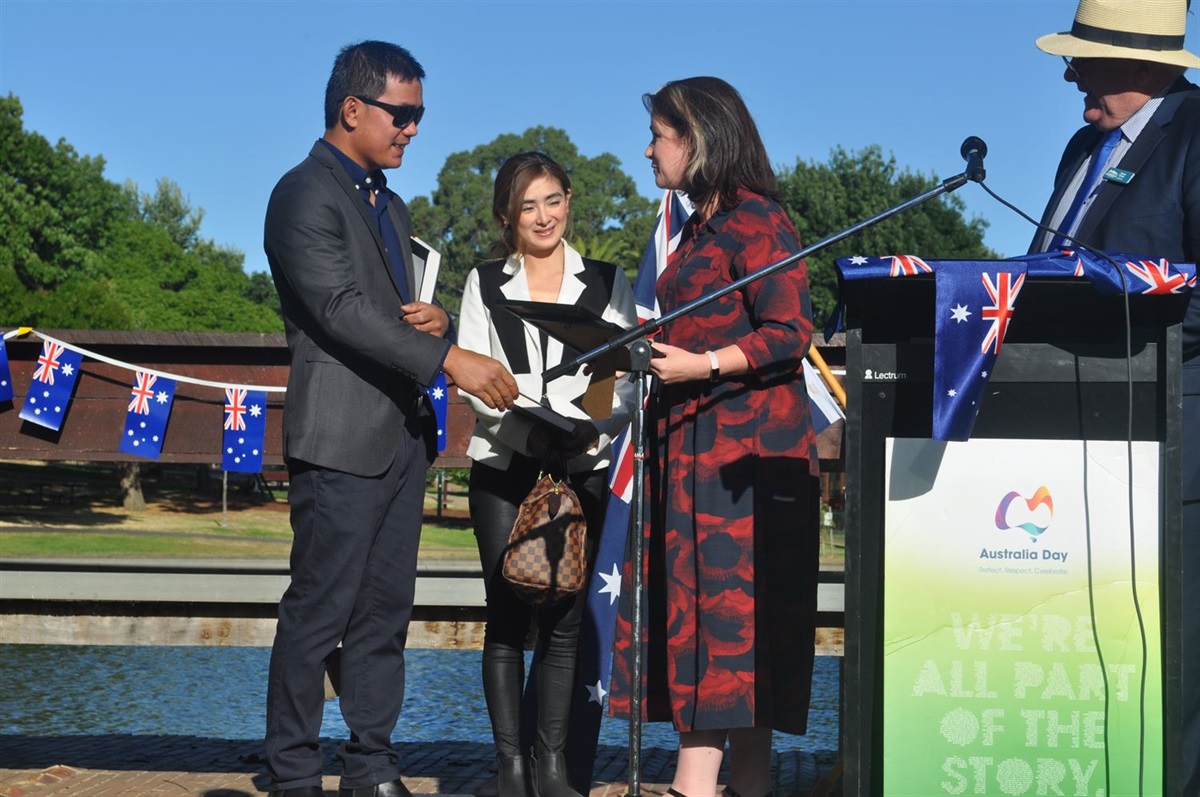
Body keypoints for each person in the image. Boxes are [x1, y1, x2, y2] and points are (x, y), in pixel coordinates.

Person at [263, 41, 518, 797]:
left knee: (384, 617)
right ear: (352, 109)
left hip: (401, 439)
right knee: (317, 614)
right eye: (401, 114)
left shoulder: (390, 203)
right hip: (338, 439)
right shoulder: (302, 193)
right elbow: (338, 312)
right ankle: (293, 773)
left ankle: (371, 766)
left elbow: (385, 314)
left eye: (419, 116)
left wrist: (434, 320)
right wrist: (449, 356)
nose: (412, 129)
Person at [609, 77, 822, 797]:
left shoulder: (758, 220)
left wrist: (699, 363)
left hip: (746, 459)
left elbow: (790, 331)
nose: (648, 149)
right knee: (706, 615)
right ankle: (749, 784)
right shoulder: (698, 224)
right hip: (694, 445)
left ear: (697, 139)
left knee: (729, 617)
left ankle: (693, 784)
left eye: (659, 136)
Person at [1028, 2, 1200, 793]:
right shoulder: (1079, 149)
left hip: (1168, 445)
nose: (1069, 77)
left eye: (1083, 59)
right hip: (1064, 445)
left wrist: (1126, 320)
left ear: (1139, 64)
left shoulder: (1195, 133)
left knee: (1172, 666)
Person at [457, 151, 637, 797]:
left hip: (579, 464)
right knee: (506, 616)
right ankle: (510, 769)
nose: (543, 215)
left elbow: (620, 377)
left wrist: (594, 427)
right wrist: (529, 426)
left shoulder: (607, 281)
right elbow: (476, 381)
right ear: (507, 214)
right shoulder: (483, 282)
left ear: (568, 201)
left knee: (563, 619)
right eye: (528, 204)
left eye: (553, 199)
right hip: (505, 464)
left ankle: (553, 768)